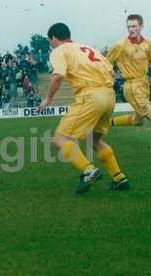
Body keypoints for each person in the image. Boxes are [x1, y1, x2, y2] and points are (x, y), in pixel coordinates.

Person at [37, 23, 129, 194]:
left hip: (90, 95)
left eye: (50, 42)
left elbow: (58, 76)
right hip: (109, 95)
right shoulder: (87, 47)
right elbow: (112, 73)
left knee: (61, 139)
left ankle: (88, 170)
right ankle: (119, 177)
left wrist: (48, 99)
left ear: (53, 38)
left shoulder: (59, 51)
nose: (51, 45)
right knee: (94, 140)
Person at [107, 14, 151, 126]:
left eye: (134, 26)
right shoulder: (120, 45)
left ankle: (107, 123)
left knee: (137, 120)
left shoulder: (148, 44)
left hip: (144, 83)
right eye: (129, 27)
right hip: (132, 86)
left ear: (141, 26)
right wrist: (110, 77)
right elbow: (106, 63)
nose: (131, 30)